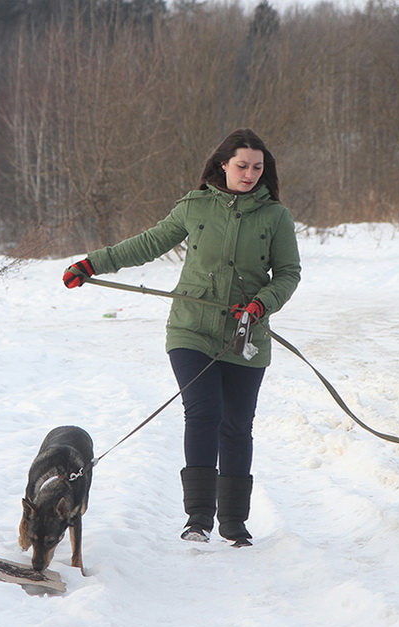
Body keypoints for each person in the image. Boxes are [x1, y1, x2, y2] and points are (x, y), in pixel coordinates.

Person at [63, 129, 301, 546]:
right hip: (191, 328)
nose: (249, 174)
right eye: (242, 166)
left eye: (257, 168)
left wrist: (262, 303)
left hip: (246, 335)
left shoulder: (275, 217)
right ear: (223, 164)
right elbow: (148, 243)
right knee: (203, 412)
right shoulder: (196, 206)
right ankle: (198, 519)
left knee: (236, 426)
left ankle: (233, 522)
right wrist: (91, 264)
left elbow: (287, 274)